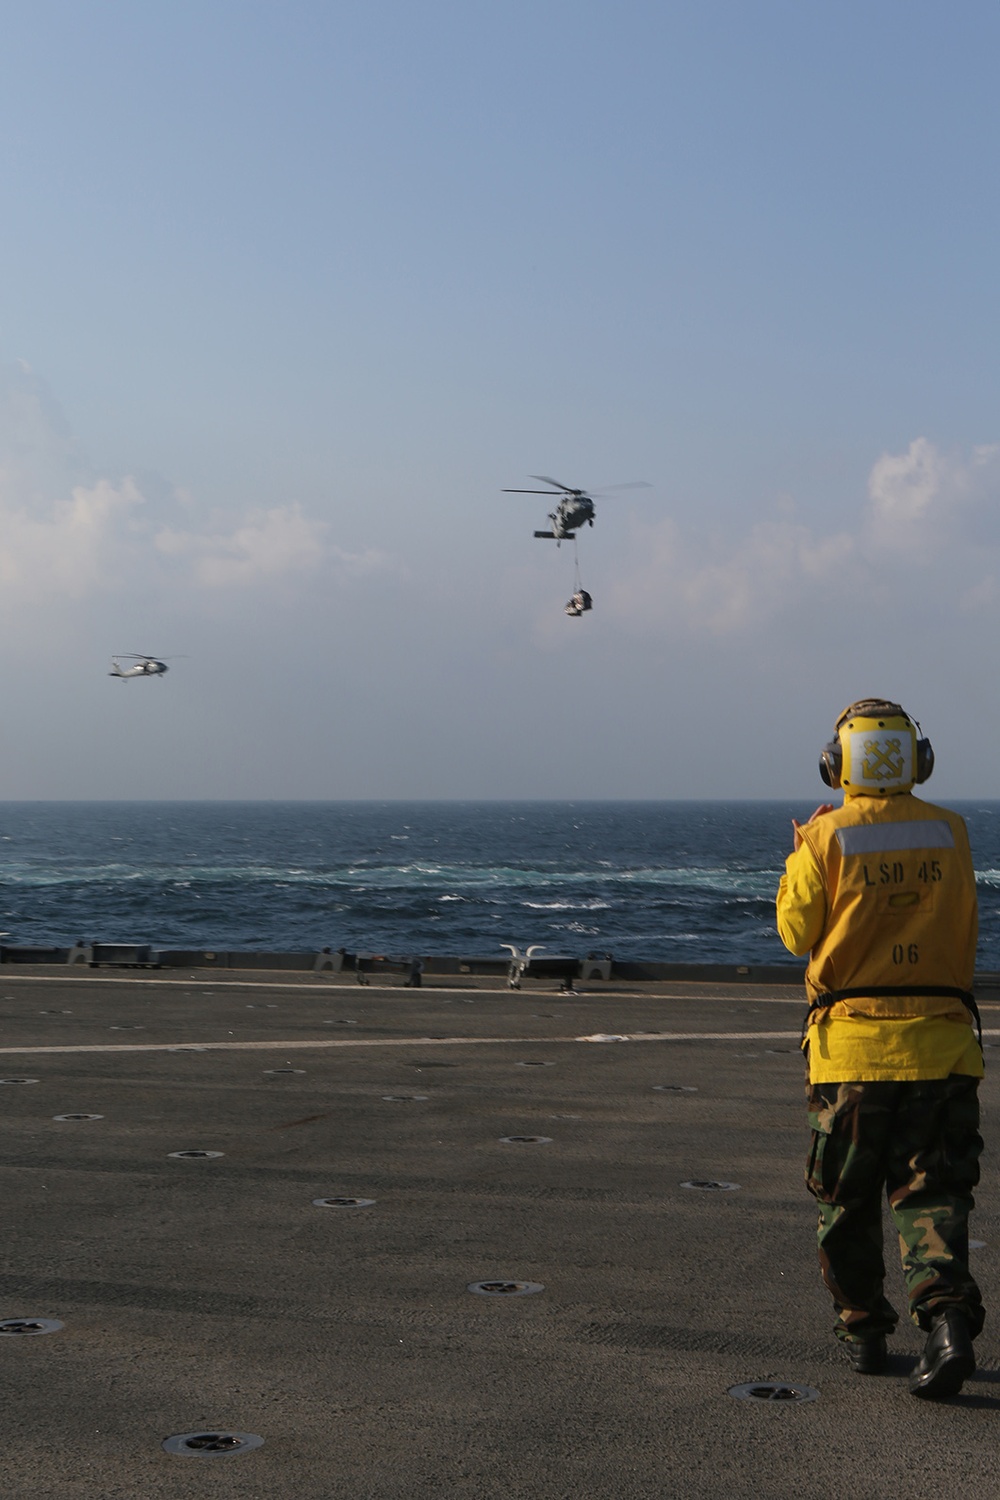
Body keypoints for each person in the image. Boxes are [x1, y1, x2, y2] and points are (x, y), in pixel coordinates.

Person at [776, 698, 984, 1398]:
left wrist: (800, 851)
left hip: (853, 1059)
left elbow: (794, 932)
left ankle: (864, 1332)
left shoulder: (825, 839)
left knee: (847, 1200)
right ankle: (948, 1321)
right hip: (944, 1049)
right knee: (933, 1196)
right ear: (916, 760)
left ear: (835, 765)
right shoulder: (951, 833)